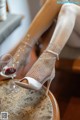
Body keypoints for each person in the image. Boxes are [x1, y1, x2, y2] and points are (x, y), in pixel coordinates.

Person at [2, 0, 80, 94]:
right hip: (69, 28)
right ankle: (25, 51)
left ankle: (27, 54)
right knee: (61, 4)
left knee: (69, 7)